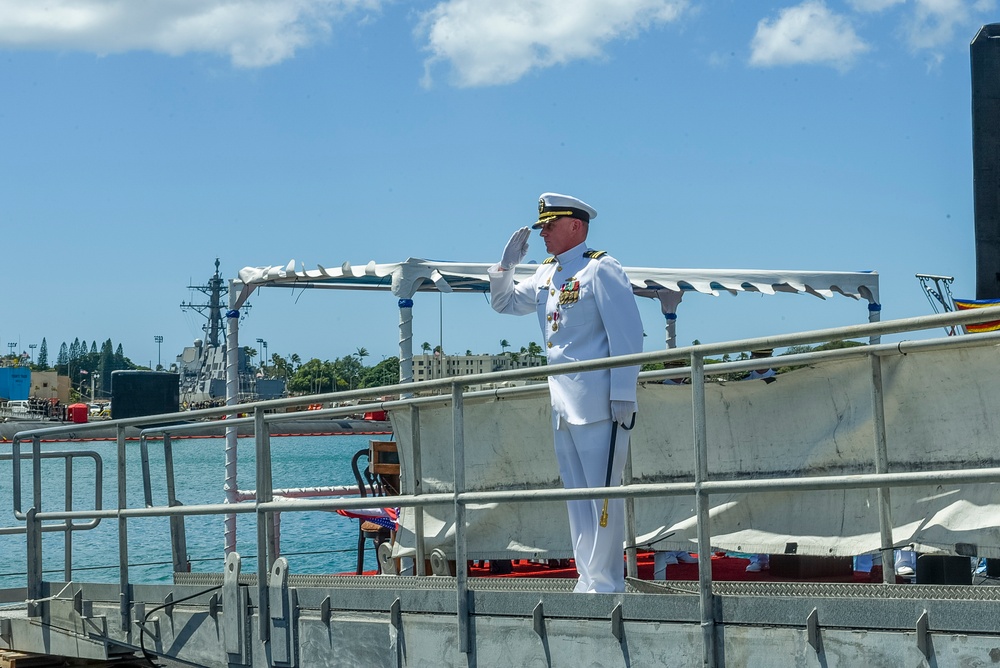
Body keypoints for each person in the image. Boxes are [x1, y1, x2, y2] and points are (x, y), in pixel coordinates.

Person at [489, 192, 643, 593]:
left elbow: (627, 336)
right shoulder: (544, 274)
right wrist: (506, 266)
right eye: (541, 227)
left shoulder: (601, 269)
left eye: (550, 226)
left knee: (602, 496)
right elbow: (503, 303)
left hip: (600, 402)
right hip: (562, 404)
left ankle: (608, 581)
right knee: (577, 497)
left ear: (576, 226)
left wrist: (623, 392)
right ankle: (587, 577)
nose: (543, 234)